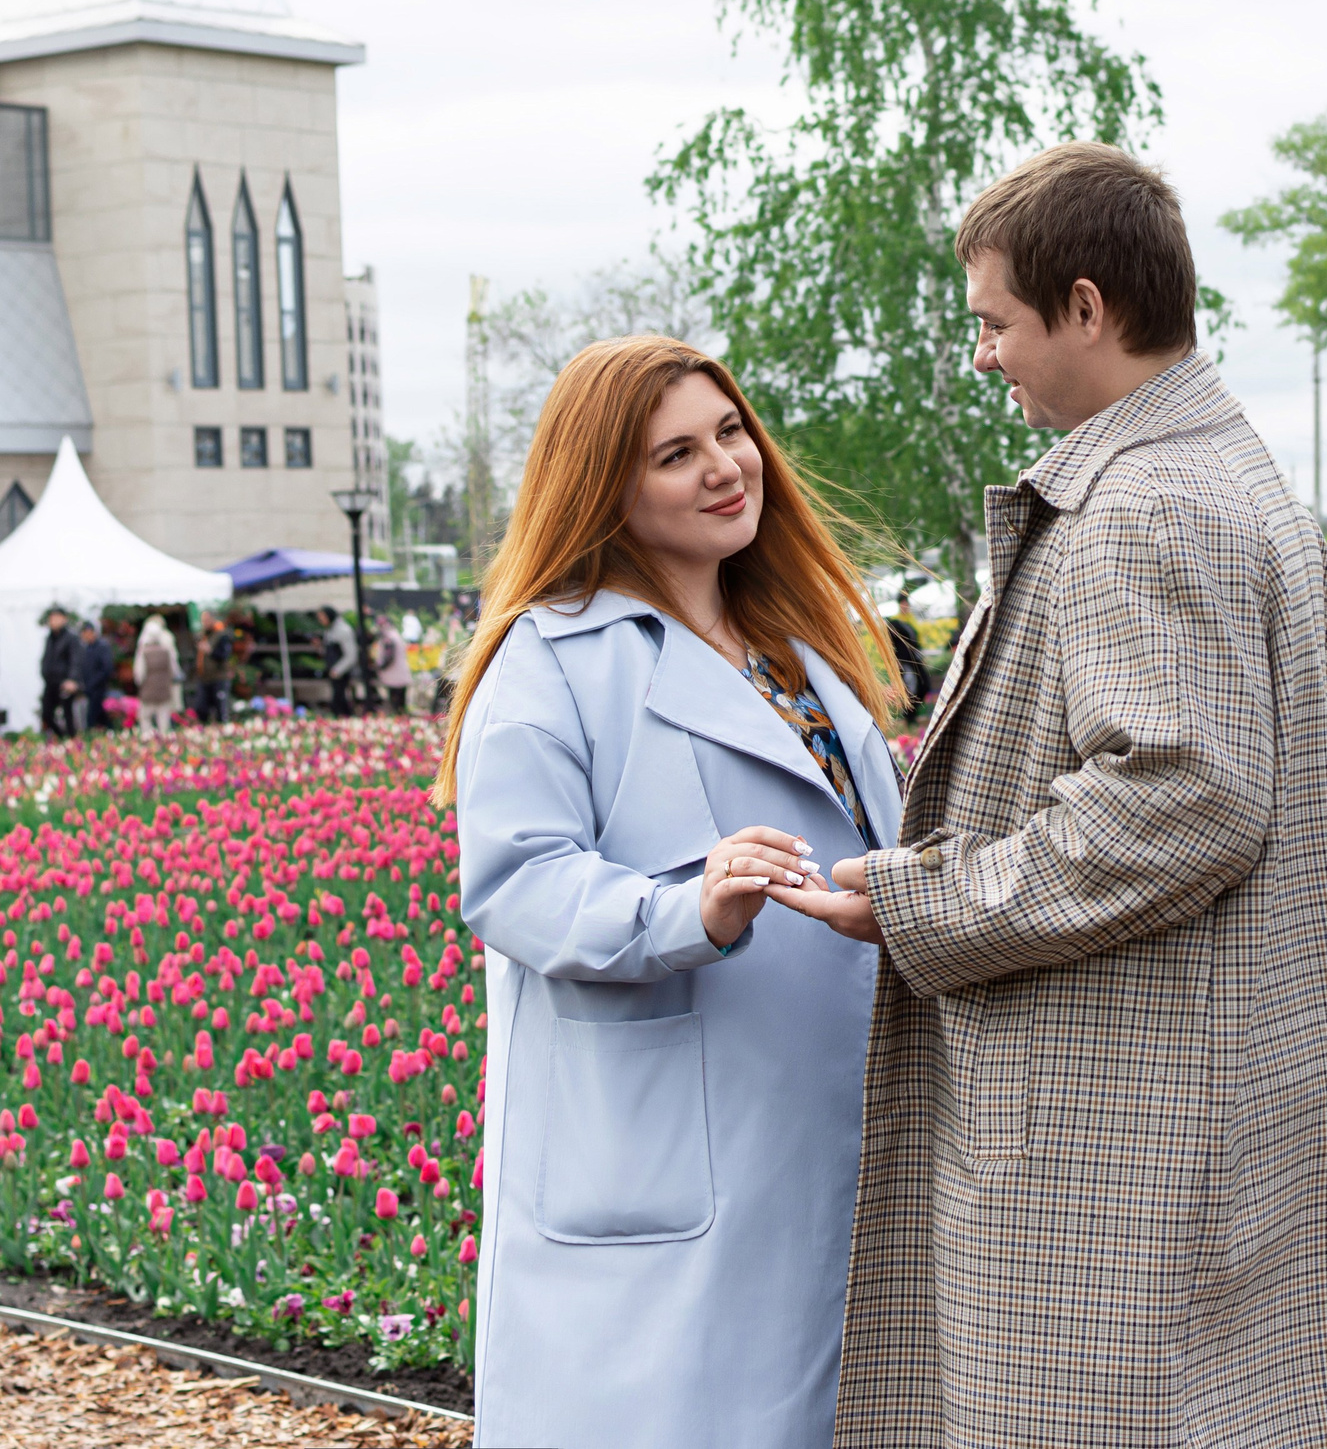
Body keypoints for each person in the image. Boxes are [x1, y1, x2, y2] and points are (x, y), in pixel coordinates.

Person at [766, 143, 1327, 1447]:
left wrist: (918, 895)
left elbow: (1184, 795)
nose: (984, 353)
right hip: (1201, 1086)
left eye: (997, 322)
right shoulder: (1222, 471)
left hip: (1126, 1116)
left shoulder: (1142, 504)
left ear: (1088, 307)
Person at [444, 334, 904, 1449]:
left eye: (730, 431)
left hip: (835, 1103)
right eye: (675, 454)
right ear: (605, 486)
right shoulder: (550, 656)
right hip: (674, 1139)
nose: (723, 467)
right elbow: (514, 881)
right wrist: (684, 911)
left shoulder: (795, 647)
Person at [133, 615, 180, 737]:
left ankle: (148, 737)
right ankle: (163, 738)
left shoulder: (144, 652)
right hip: (164, 688)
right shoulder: (167, 650)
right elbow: (174, 670)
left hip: (148, 690)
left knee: (145, 716)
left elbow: (139, 674)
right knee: (163, 716)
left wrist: (140, 683)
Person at [885, 593, 932, 706]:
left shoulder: (912, 621)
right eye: (903, 604)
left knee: (923, 683)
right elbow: (890, 643)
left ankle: (913, 713)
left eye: (906, 604)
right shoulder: (895, 622)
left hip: (914, 659)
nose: (905, 607)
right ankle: (909, 715)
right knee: (910, 685)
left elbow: (916, 641)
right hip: (904, 660)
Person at [38, 608, 77, 737]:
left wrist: (72, 679)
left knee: (67, 714)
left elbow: (75, 660)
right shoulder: (50, 638)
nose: (53, 621)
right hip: (50, 681)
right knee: (46, 714)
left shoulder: (70, 638)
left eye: (56, 617)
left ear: (64, 619)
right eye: (51, 618)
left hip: (64, 681)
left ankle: (71, 740)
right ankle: (61, 737)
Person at [72, 619, 116, 734]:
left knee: (92, 716)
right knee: (99, 714)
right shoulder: (86, 648)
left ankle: (90, 735)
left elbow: (106, 668)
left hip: (98, 687)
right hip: (89, 688)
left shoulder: (102, 646)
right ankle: (111, 731)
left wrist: (94, 682)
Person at [193, 616, 235, 723]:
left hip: (219, 677)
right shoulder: (203, 635)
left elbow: (224, 655)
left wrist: (210, 650)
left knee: (220, 708)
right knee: (201, 708)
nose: (204, 623)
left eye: (206, 620)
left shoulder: (222, 635)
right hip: (204, 678)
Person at [319, 604, 359, 714]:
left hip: (342, 671)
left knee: (340, 698)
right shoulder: (330, 630)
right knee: (338, 698)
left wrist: (337, 669)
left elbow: (351, 655)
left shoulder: (343, 630)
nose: (320, 620)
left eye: (322, 617)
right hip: (334, 670)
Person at [372, 612, 411, 715]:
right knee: (400, 704)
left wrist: (378, 667)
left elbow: (389, 657)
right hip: (399, 674)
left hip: (393, 675)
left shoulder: (388, 637)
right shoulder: (394, 634)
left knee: (396, 704)